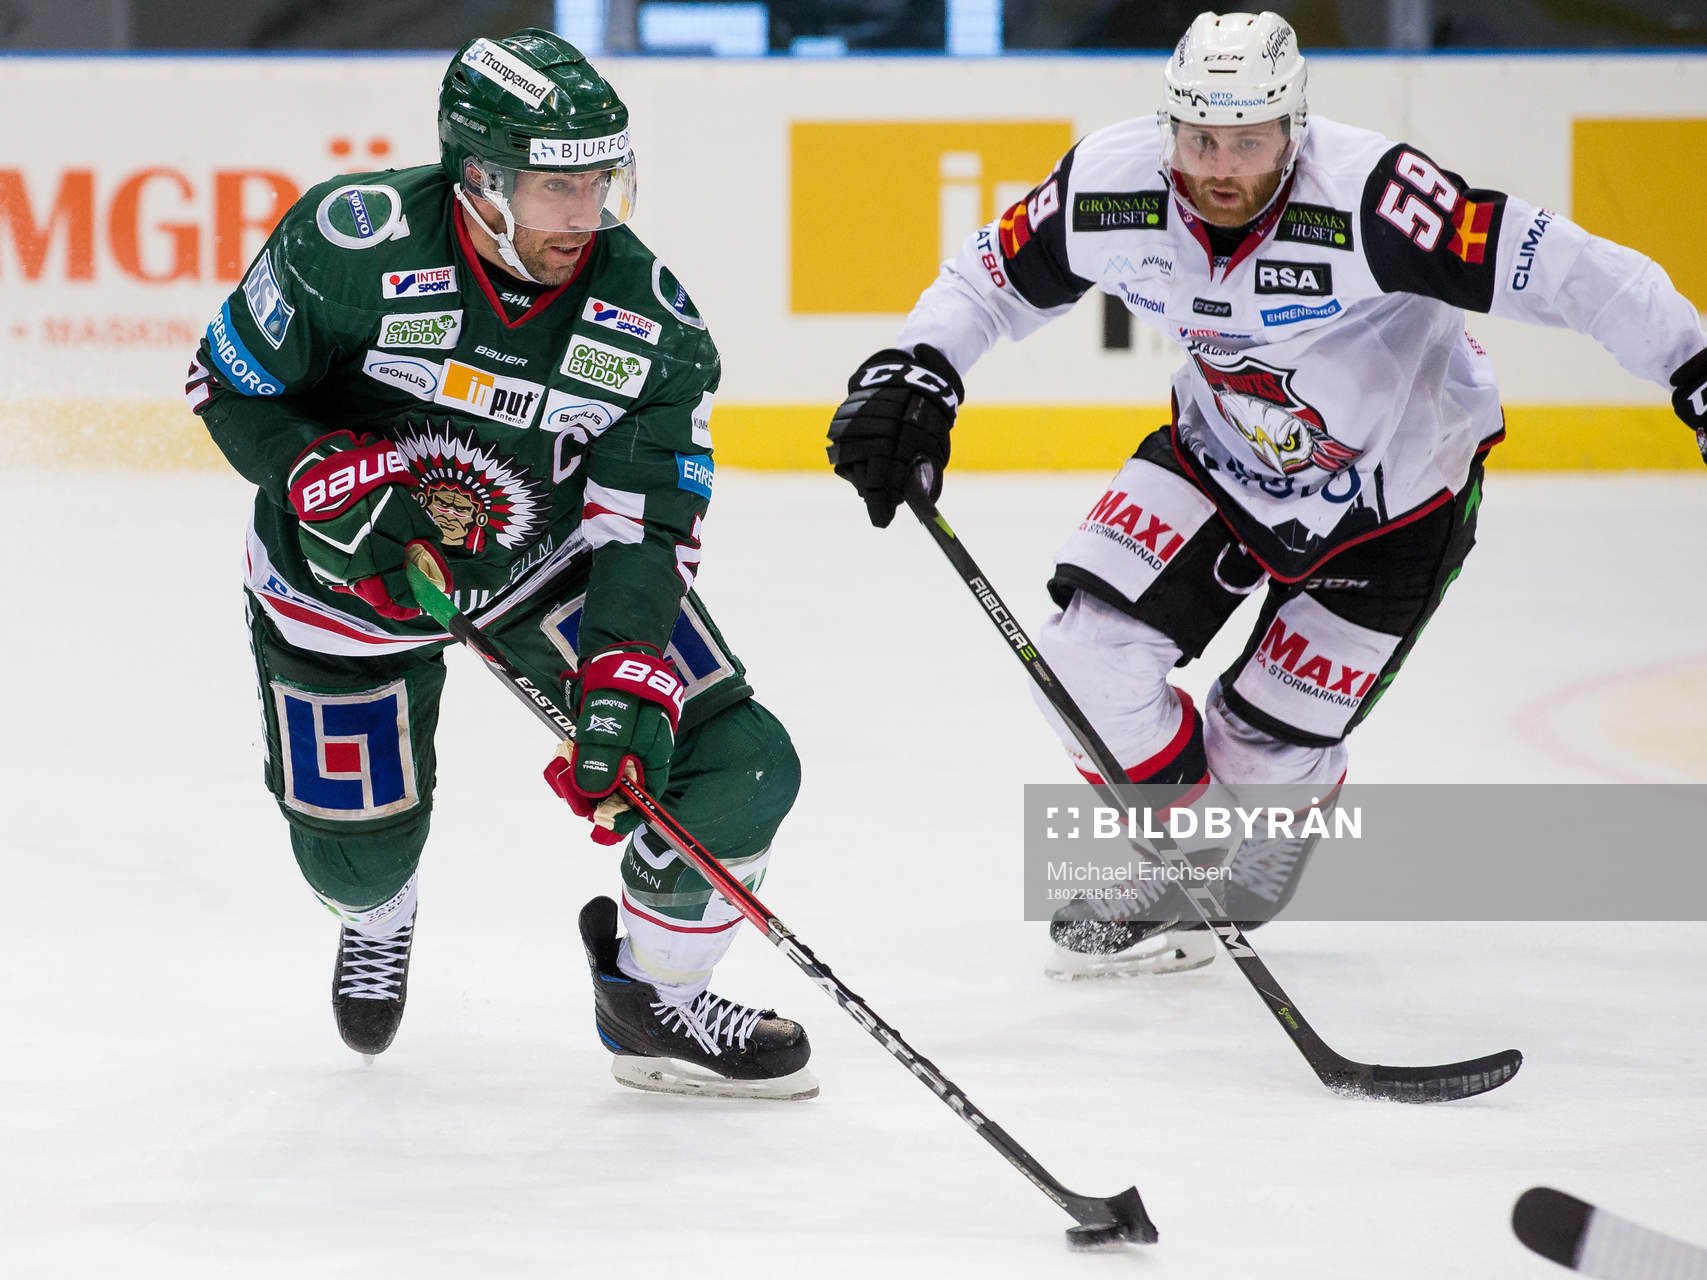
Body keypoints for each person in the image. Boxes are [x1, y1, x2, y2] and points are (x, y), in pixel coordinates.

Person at [827, 10, 1707, 977]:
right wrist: (914, 370)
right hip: (1215, 458)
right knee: (1084, 667)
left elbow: (1572, 270)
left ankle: (1286, 794)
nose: (1219, 165)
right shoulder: (1110, 183)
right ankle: (1187, 865)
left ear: (1293, 128)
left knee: (1257, 755)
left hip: (1393, 500)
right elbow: (987, 279)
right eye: (1199, 137)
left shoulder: (1375, 199)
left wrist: (1693, 364)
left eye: (1248, 140)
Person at [189, 29, 815, 1099]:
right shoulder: (352, 245)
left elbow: (644, 517)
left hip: (545, 567)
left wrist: (624, 668)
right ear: (478, 178)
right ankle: (377, 911)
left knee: (738, 763)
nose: (588, 214)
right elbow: (229, 382)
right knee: (354, 857)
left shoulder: (651, 321)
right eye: (556, 185)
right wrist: (312, 474)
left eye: (602, 180)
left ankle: (652, 997)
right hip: (337, 590)